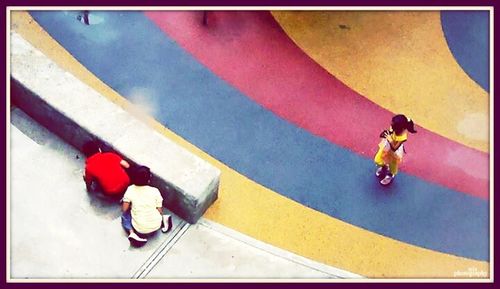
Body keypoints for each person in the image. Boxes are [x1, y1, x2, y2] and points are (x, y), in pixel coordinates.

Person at [121, 165, 173, 244]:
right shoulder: (155, 191)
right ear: (149, 180)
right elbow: (159, 209)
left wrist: (131, 206)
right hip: (156, 225)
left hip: (139, 229)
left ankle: (132, 233)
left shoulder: (130, 190)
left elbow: (124, 209)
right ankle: (164, 219)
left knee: (125, 216)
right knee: (154, 209)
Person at [374, 114, 417, 185]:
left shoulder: (402, 137)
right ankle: (384, 167)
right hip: (387, 147)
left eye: (393, 126)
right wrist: (385, 134)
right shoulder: (393, 127)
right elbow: (388, 132)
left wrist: (390, 140)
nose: (391, 126)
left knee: (392, 165)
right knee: (378, 160)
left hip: (394, 153)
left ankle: (390, 175)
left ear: (399, 128)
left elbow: (394, 148)